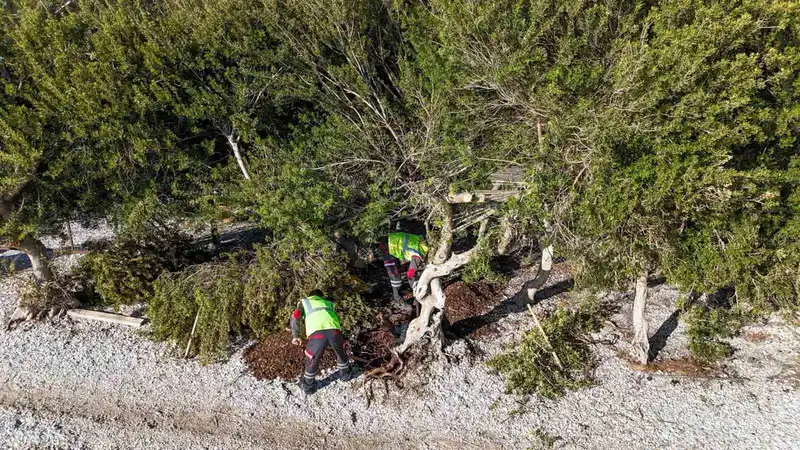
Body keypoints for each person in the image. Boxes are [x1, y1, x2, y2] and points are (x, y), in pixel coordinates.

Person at [290, 289, 352, 394]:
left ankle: (308, 386)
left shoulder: (304, 302)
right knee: (340, 353)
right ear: (321, 297)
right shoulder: (328, 303)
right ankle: (346, 375)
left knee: (312, 358)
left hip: (317, 334)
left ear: (310, 296)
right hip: (335, 331)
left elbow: (295, 316)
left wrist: (296, 336)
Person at [379, 232, 428, 305]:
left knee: (404, 274)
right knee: (396, 273)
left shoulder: (421, 244)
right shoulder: (420, 252)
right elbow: (409, 274)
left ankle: (413, 296)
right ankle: (400, 298)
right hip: (389, 247)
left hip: (392, 240)